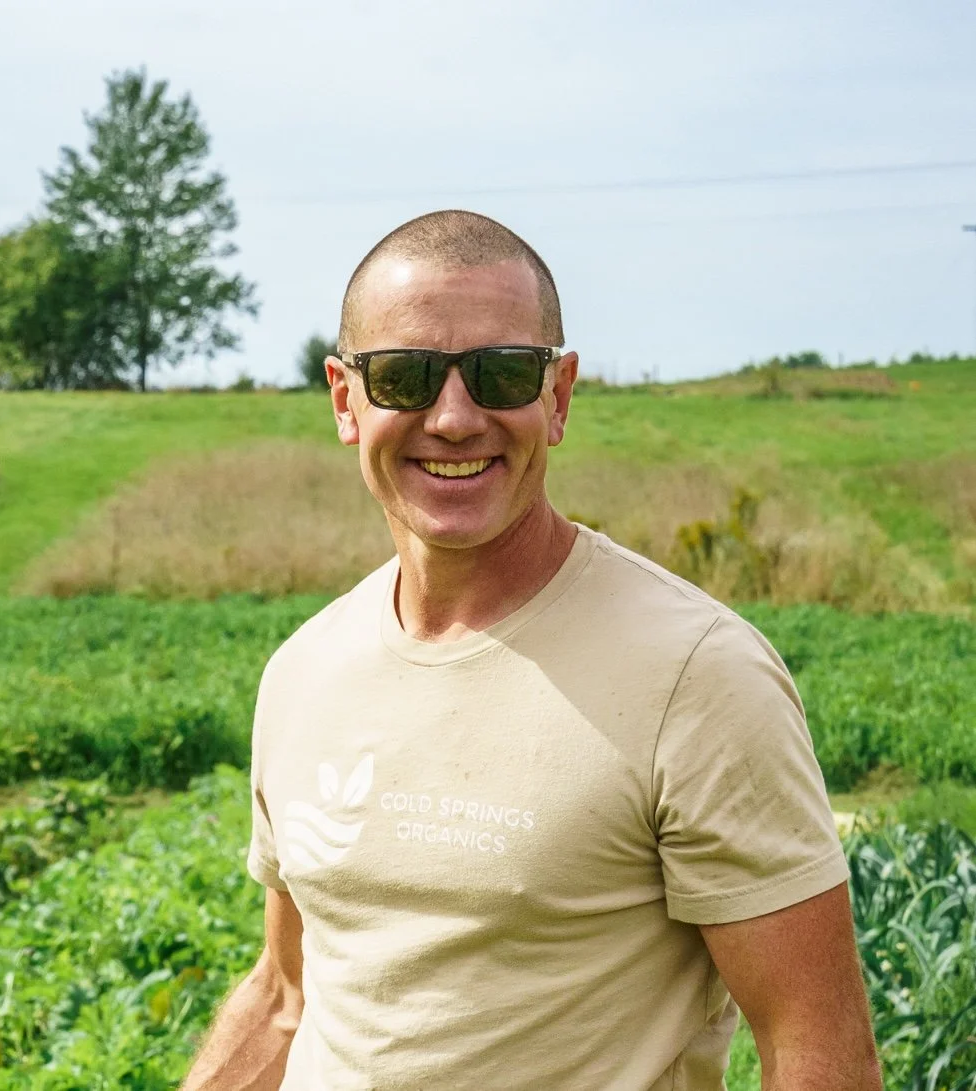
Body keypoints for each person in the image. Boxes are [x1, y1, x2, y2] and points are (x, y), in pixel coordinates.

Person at [182, 210, 882, 1090]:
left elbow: (817, 1048)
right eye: (402, 376)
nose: (453, 417)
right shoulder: (305, 669)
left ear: (556, 397)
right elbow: (287, 997)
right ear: (344, 400)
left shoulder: (697, 673)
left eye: (502, 373)